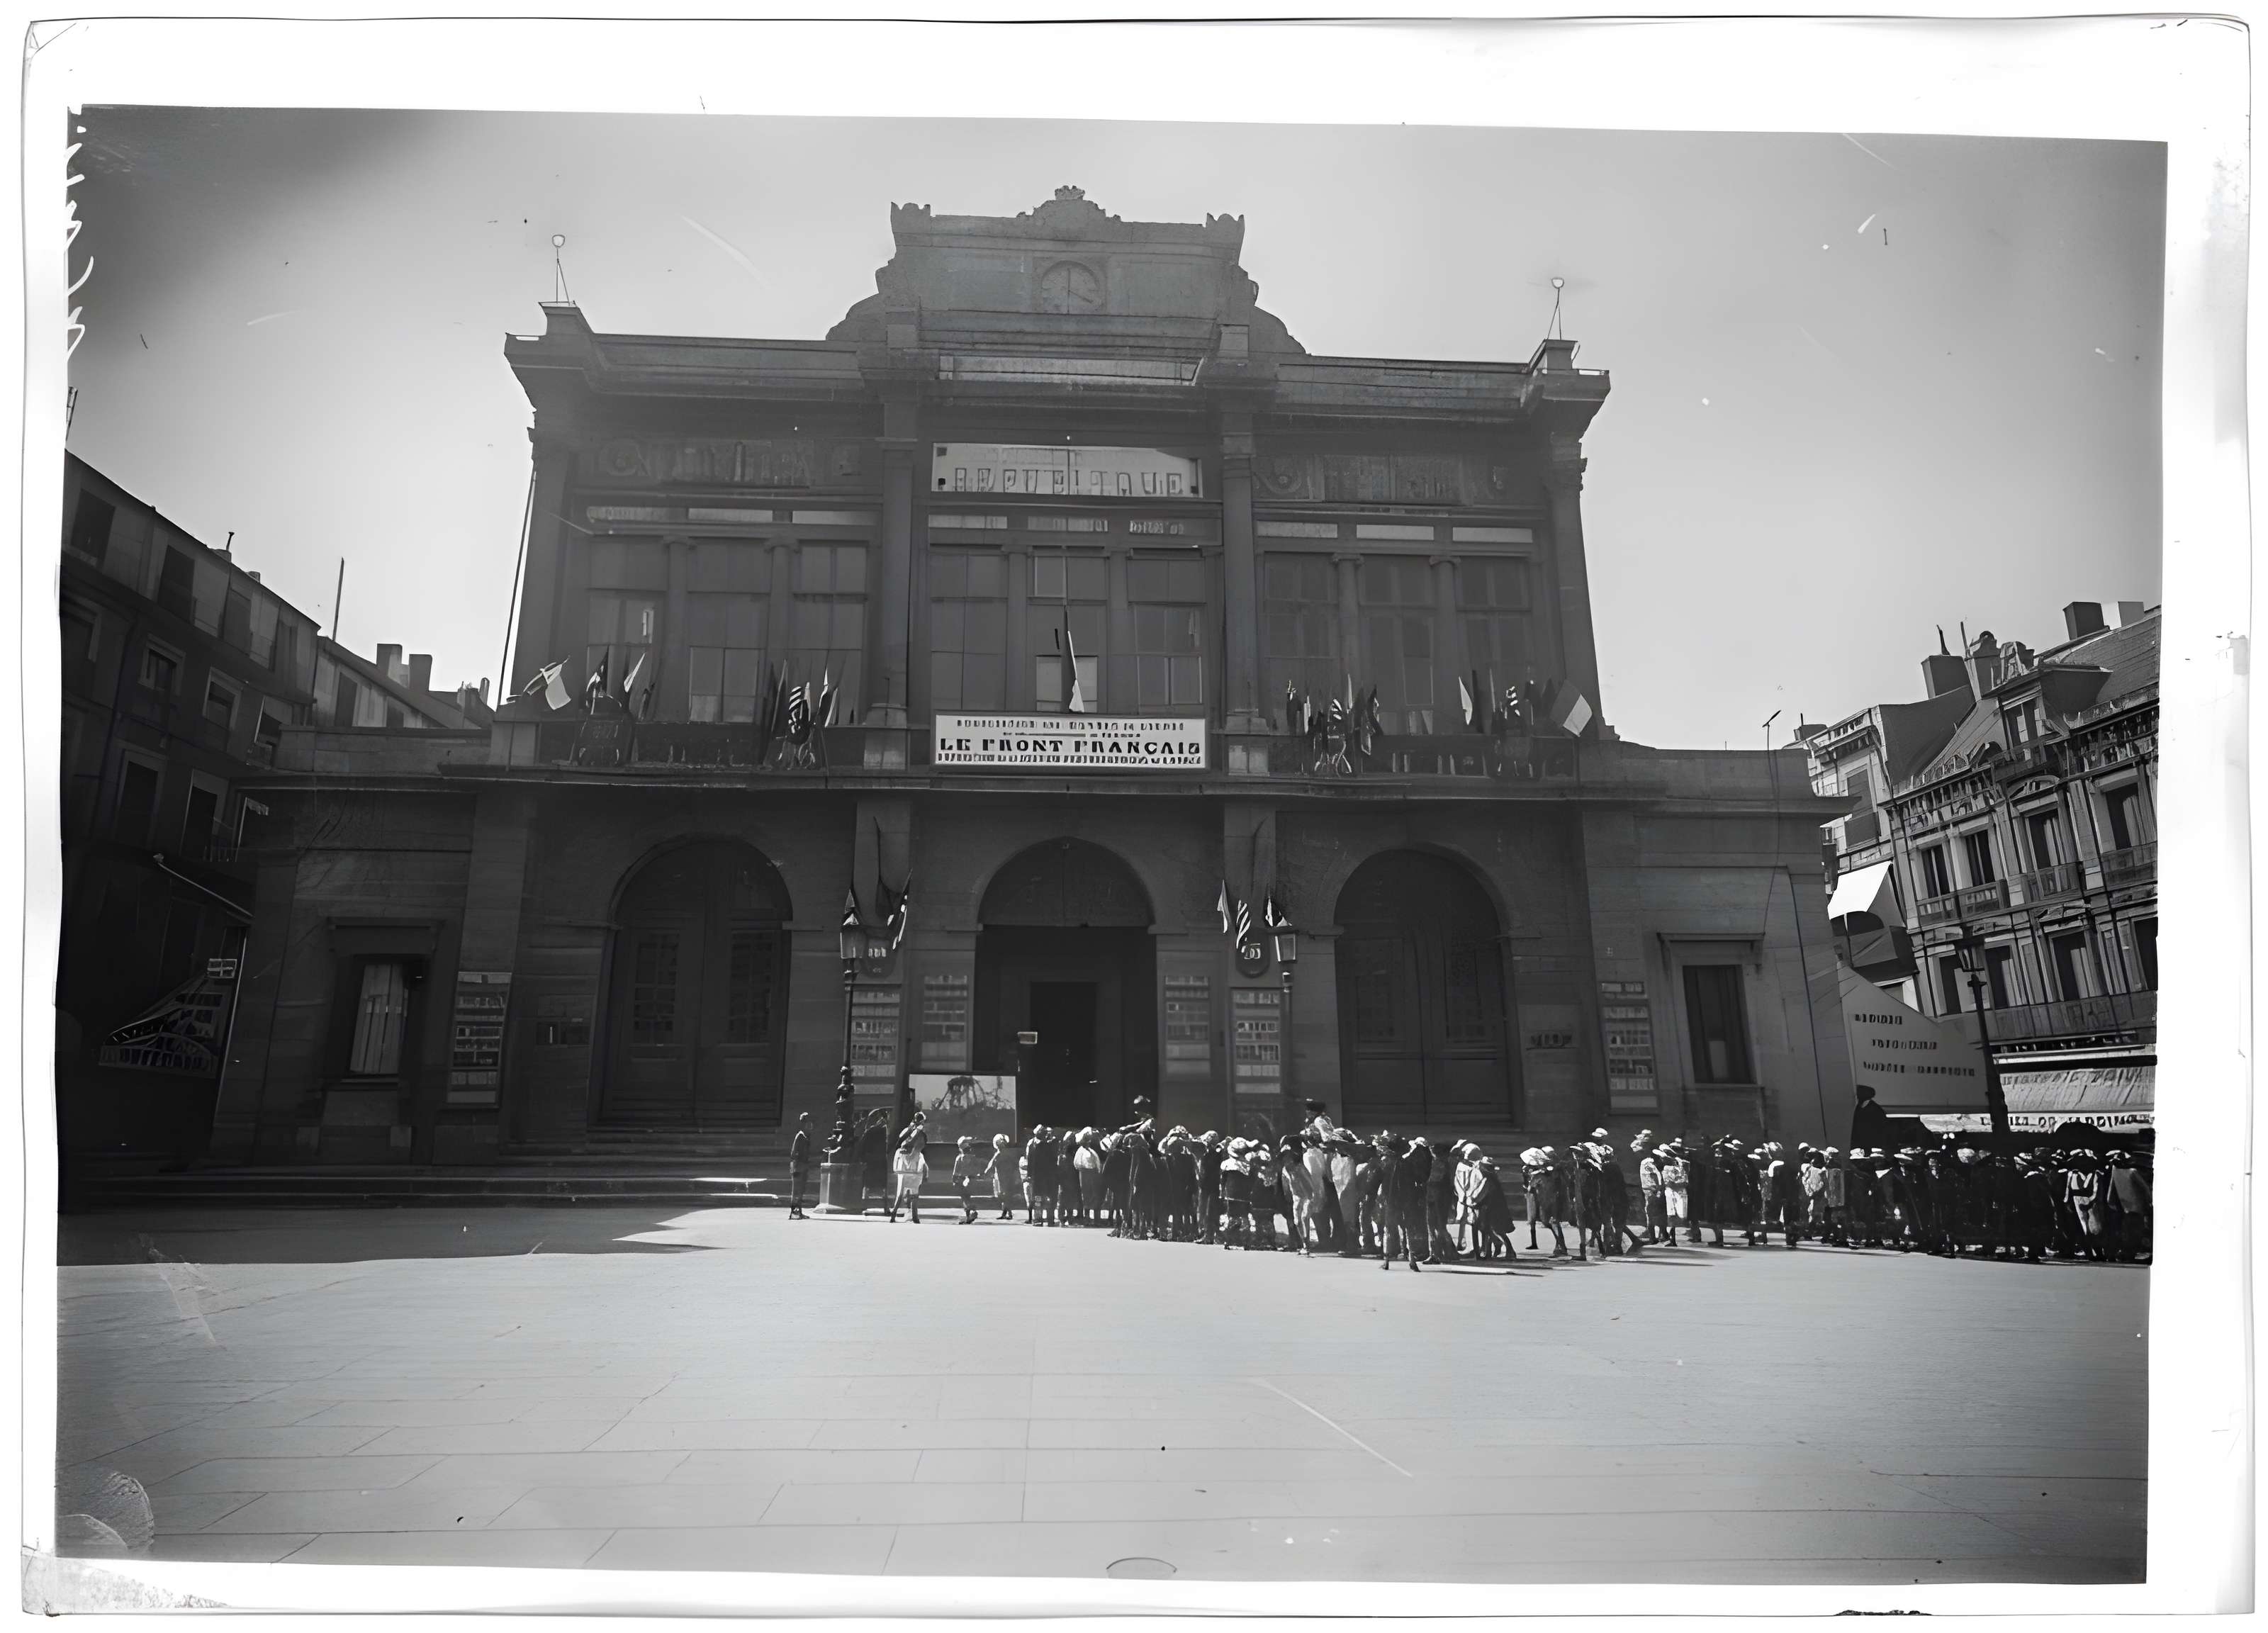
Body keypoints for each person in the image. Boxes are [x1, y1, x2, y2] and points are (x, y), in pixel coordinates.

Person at [1386, 1135, 1431, 1270]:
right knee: (1408, 1228)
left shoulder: (1395, 1163)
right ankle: (1411, 1258)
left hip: (1397, 1199)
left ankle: (1388, 1258)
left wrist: (1390, 1199)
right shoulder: (1409, 1162)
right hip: (1409, 1199)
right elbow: (1419, 1179)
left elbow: (1392, 1185)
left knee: (1392, 1228)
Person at [2108, 1149, 2152, 1262]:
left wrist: (2111, 1203)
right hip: (2138, 1207)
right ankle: (2130, 1253)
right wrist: (2150, 1202)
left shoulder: (2115, 1171)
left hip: (2125, 1207)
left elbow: (2110, 1193)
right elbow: (2145, 1189)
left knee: (2128, 1231)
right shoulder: (2133, 1172)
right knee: (2137, 1231)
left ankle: (2126, 1253)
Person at [889, 1128, 928, 1223]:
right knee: (914, 1196)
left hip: (904, 1173)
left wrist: (896, 1170)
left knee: (900, 1194)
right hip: (914, 1174)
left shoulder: (901, 1152)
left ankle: (894, 1215)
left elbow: (896, 1164)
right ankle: (915, 1217)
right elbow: (924, 1165)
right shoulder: (917, 1154)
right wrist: (925, 1175)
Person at [1024, 1125, 1056, 1227]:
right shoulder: (1036, 1145)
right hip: (1040, 1177)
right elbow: (1030, 1161)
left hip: (1043, 1177)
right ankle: (1041, 1218)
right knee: (1040, 1198)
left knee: (1044, 1197)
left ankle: (1046, 1218)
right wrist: (1029, 1175)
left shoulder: (1044, 1145)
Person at [1636, 1136, 1666, 1245]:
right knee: (1658, 1214)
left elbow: (1658, 1176)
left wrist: (1658, 1189)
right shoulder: (1653, 1162)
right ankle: (1660, 1235)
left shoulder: (1648, 1162)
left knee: (1651, 1214)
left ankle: (1654, 1237)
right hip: (1652, 1190)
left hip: (1651, 1191)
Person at [1658, 1141, 1690, 1244]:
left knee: (1673, 1215)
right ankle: (1671, 1238)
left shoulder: (1674, 1166)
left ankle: (1671, 1238)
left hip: (1675, 1192)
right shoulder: (1681, 1164)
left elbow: (1672, 1181)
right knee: (1671, 1215)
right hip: (1675, 1191)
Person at [951, 1135, 984, 1223]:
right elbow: (978, 1169)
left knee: (965, 1198)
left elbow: (955, 1171)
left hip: (962, 1180)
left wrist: (954, 1180)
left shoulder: (959, 1158)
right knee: (968, 1197)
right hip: (972, 1179)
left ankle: (972, 1211)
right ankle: (968, 1217)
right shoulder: (973, 1158)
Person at [1074, 1128, 1104, 1225]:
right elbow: (1077, 1163)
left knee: (1095, 1194)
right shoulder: (1080, 1151)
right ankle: (1086, 1218)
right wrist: (1083, 1170)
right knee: (1086, 1194)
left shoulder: (1092, 1151)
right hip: (1084, 1173)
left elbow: (1097, 1163)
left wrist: (1097, 1172)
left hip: (1093, 1173)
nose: (1088, 1143)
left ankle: (1096, 1219)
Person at [985, 1132, 1016, 1220]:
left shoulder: (998, 1154)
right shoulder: (1009, 1154)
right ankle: (1007, 1213)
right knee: (1006, 1196)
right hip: (1008, 1177)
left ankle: (1007, 1213)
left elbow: (992, 1164)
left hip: (1001, 1178)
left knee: (1002, 1196)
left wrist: (985, 1173)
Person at [787, 1111, 812, 1219]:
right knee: (796, 1191)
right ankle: (794, 1212)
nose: (810, 1126)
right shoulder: (800, 1136)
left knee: (801, 1190)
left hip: (803, 1166)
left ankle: (799, 1212)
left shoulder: (805, 1136)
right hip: (798, 1167)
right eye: (808, 1123)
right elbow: (794, 1153)